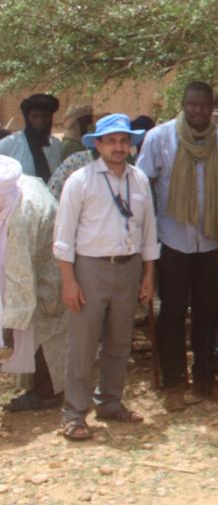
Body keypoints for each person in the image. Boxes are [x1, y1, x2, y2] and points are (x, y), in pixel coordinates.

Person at [53, 114, 159, 441]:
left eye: (124, 141)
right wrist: (69, 281)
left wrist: (148, 275)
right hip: (90, 268)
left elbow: (149, 231)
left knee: (120, 340)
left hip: (129, 267)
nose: (118, 147)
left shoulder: (139, 180)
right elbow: (64, 237)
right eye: (111, 141)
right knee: (83, 344)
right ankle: (74, 413)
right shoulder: (80, 181)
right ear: (97, 145)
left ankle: (110, 402)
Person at [137, 81, 218, 410]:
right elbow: (143, 185)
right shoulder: (159, 138)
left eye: (204, 104)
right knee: (172, 313)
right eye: (192, 104)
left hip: (211, 241)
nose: (198, 110)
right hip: (172, 240)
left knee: (208, 312)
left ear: (212, 106)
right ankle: (175, 383)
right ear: (182, 104)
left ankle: (205, 378)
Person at [1, 157, 67, 413]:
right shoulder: (15, 189)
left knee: (40, 332)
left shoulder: (19, 215)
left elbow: (20, 277)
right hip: (45, 266)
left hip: (47, 276)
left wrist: (9, 327)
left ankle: (46, 392)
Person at [0, 93, 62, 182]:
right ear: (27, 118)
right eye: (35, 116)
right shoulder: (9, 144)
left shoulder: (56, 145)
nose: (40, 121)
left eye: (45, 116)